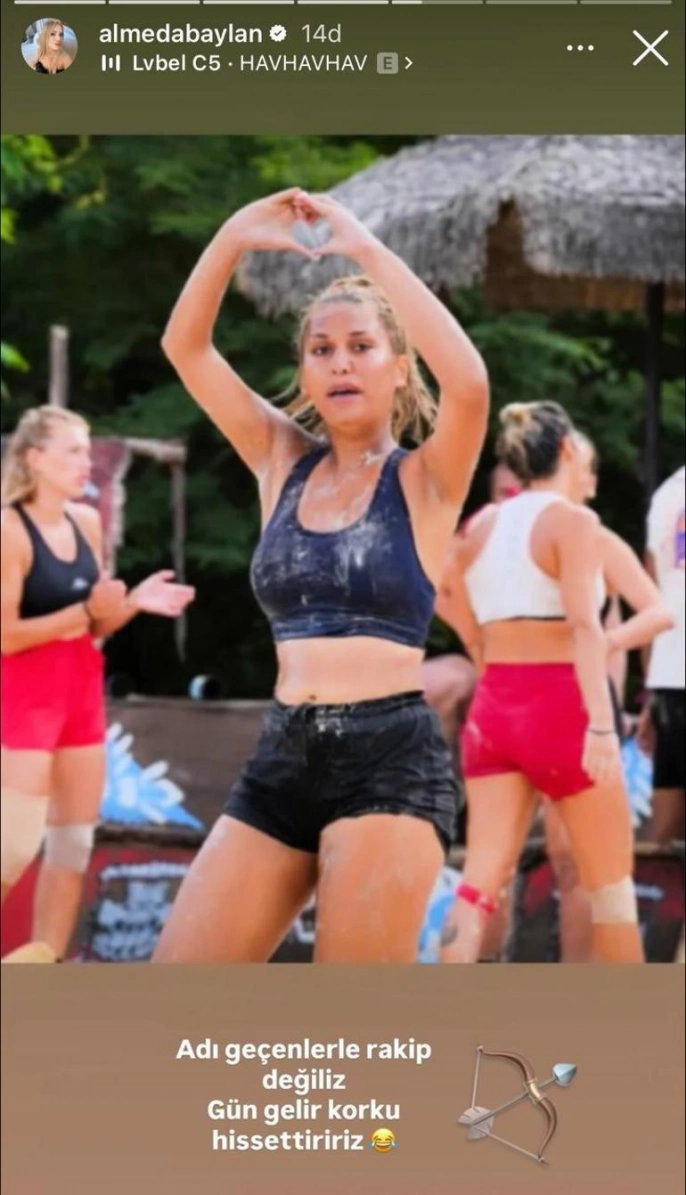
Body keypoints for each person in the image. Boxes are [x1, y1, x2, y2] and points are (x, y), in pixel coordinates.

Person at [153, 187, 489, 963]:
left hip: (389, 762)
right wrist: (233, 234)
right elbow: (186, 347)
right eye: (322, 349)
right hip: (283, 755)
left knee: (350, 1011)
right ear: (304, 374)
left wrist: (364, 249)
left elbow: (469, 383)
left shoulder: (426, 479)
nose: (340, 361)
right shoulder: (281, 460)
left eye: (362, 346)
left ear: (400, 368)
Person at [438, 402, 670, 965]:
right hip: (565, 704)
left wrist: (479, 647)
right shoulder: (574, 522)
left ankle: (442, 1007)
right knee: (610, 888)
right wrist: (602, 726)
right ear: (567, 451)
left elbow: (442, 587)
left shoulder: (482, 523)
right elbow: (585, 628)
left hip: (496, 706)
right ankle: (630, 1018)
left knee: (477, 884)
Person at [1, 405, 195, 962]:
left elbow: (96, 624)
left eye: (88, 451)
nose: (87, 462)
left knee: (73, 846)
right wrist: (86, 609)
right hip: (24, 695)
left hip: (80, 693)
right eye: (74, 451)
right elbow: (7, 636)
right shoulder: (9, 531)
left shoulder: (87, 522)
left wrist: (133, 602)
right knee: (12, 847)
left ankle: (42, 971)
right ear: (35, 459)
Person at [421, 464, 522, 749]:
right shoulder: (466, 547)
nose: (515, 504)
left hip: (548, 679)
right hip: (480, 671)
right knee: (449, 678)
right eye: (507, 494)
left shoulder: (574, 545)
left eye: (524, 493)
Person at [637, 465, 685, 849]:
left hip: (671, 675)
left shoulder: (669, 493)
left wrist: (651, 693)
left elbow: (648, 600)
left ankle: (648, 888)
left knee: (666, 824)